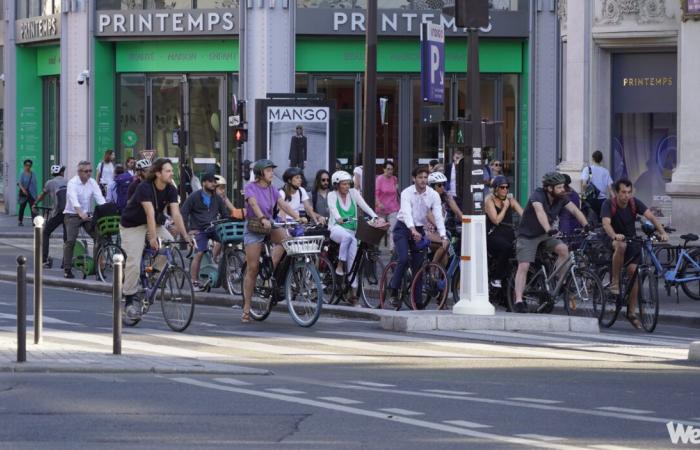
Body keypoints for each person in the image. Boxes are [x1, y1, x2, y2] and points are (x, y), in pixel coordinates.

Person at [119, 158, 192, 318]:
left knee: (169, 246)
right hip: (133, 225)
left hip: (153, 223)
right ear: (158, 173)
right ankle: (129, 300)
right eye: (168, 171)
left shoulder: (171, 189)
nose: (171, 173)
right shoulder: (144, 187)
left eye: (172, 171)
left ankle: (152, 273)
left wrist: (186, 236)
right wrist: (152, 238)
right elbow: (150, 214)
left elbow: (176, 213)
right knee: (133, 260)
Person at [512, 172, 590, 313]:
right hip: (528, 235)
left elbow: (574, 210)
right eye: (559, 187)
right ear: (549, 188)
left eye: (563, 187)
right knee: (524, 265)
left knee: (563, 249)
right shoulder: (538, 195)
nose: (563, 190)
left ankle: (560, 283)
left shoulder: (561, 197)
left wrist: (586, 225)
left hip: (545, 234)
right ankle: (518, 300)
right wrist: (549, 229)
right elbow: (540, 212)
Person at [242, 159, 307, 323]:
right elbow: (253, 204)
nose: (272, 173)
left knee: (288, 240)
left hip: (270, 225)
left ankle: (273, 268)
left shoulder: (272, 189)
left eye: (272, 170)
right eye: (269, 170)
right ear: (260, 173)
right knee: (253, 268)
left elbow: (283, 205)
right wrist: (262, 217)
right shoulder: (250, 187)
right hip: (254, 227)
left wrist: (298, 217)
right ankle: (246, 308)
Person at [601, 178, 668, 330]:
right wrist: (614, 235)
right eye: (623, 192)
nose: (626, 195)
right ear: (617, 192)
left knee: (633, 271)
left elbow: (650, 216)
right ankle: (615, 282)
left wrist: (662, 232)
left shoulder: (633, 203)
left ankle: (631, 313)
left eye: (629, 192)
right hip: (612, 238)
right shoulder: (608, 204)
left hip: (631, 239)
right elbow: (606, 224)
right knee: (621, 245)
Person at [387, 167, 449, 307]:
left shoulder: (433, 194)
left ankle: (417, 302)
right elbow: (407, 213)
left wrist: (443, 235)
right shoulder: (406, 193)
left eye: (425, 177)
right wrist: (412, 229)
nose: (423, 180)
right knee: (402, 258)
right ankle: (394, 290)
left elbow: (438, 216)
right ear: (413, 178)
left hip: (419, 229)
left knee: (418, 266)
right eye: (420, 177)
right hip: (403, 228)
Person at [327, 170, 381, 305]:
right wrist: (339, 218)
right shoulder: (332, 195)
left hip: (352, 231)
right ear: (336, 185)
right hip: (336, 228)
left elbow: (365, 206)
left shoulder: (353, 193)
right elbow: (333, 209)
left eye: (348, 184)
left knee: (353, 262)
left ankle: (353, 294)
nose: (346, 186)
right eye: (343, 184)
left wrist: (375, 216)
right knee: (347, 238)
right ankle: (339, 265)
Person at [180, 173, 230, 291]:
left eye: (215, 182)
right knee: (199, 253)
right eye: (211, 181)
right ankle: (194, 281)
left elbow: (225, 214)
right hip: (199, 230)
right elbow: (183, 213)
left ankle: (217, 261)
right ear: (204, 183)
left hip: (214, 228)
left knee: (228, 242)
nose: (214, 184)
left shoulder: (217, 198)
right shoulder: (194, 197)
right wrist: (188, 231)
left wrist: (227, 222)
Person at [63, 161, 106, 279]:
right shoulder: (72, 183)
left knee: (99, 236)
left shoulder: (92, 182)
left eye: (90, 171)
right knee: (70, 241)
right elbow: (73, 200)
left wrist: (105, 210)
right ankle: (67, 269)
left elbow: (100, 198)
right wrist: (80, 213)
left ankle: (98, 268)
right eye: (86, 171)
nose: (89, 173)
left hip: (86, 215)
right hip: (72, 214)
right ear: (79, 172)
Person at [484, 175, 523, 288]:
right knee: (506, 247)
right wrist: (505, 207)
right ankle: (496, 278)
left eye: (507, 187)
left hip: (508, 234)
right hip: (493, 235)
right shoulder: (489, 200)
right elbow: (496, 220)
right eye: (502, 187)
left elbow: (523, 215)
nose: (505, 190)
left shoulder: (511, 200)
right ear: (496, 188)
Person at [425, 171, 463, 267]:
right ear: (432, 186)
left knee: (446, 256)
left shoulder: (446, 196)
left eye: (444, 184)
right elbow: (428, 215)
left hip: (441, 232)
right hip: (427, 231)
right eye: (439, 185)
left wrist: (467, 222)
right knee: (444, 243)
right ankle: (433, 268)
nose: (443, 187)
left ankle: (441, 279)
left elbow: (458, 212)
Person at [33, 165, 68, 268]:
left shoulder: (49, 183)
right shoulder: (68, 181)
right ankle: (66, 262)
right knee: (66, 238)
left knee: (46, 232)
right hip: (69, 212)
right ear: (61, 173)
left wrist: (35, 203)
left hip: (58, 212)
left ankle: (44, 260)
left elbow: (42, 195)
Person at [581, 150, 613, 219]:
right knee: (602, 220)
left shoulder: (588, 169)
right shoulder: (605, 171)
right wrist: (614, 199)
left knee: (590, 219)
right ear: (601, 160)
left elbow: (583, 184)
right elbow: (610, 188)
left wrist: (583, 197)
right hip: (602, 200)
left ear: (592, 158)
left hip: (591, 200)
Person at [375, 161, 400, 250]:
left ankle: (392, 249)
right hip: (381, 209)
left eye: (392, 169)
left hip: (393, 208)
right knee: (380, 230)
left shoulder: (394, 179)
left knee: (393, 229)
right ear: (384, 169)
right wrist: (378, 203)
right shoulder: (379, 179)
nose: (390, 171)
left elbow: (396, 193)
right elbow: (375, 194)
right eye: (388, 169)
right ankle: (376, 248)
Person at [17, 159, 38, 226]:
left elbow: (34, 184)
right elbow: (19, 183)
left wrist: (36, 195)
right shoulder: (22, 174)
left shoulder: (33, 174)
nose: (28, 166)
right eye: (26, 165)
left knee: (33, 207)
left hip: (32, 194)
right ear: (24, 165)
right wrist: (23, 190)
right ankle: (20, 221)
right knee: (22, 207)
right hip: (24, 193)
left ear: (31, 166)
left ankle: (34, 222)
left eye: (29, 165)